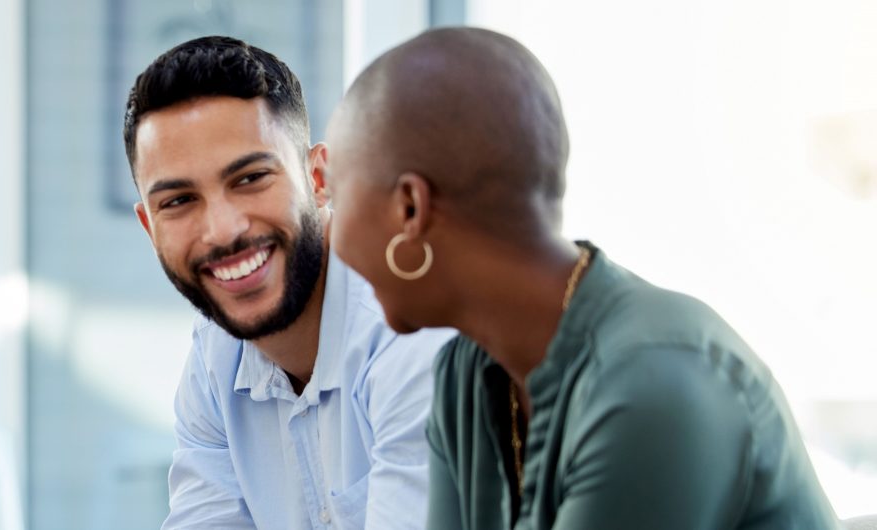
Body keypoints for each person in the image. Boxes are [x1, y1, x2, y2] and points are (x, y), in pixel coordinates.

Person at [323, 27, 839, 529]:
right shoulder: (466, 375)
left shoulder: (655, 378)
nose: (329, 220)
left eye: (338, 194)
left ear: (410, 207)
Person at [124, 36, 455, 530]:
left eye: (250, 178)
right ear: (150, 228)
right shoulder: (216, 355)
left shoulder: (412, 326)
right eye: (178, 201)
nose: (223, 231)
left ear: (319, 178)